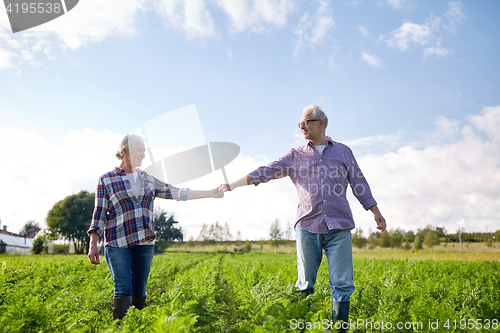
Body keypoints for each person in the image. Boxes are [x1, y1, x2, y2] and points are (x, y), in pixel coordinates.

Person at [225, 104, 386, 330]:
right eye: (300, 123)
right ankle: (300, 326)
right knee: (305, 285)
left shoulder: (343, 152)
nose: (302, 126)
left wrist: (375, 212)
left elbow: (359, 183)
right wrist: (233, 185)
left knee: (342, 283)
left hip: (339, 227)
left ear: (321, 124)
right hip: (308, 226)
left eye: (306, 122)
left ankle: (339, 328)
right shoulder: (295, 156)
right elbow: (266, 171)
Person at [87, 134, 225, 320]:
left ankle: (137, 326)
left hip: (144, 243)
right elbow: (99, 213)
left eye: (145, 150)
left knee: (139, 290)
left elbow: (176, 192)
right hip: (117, 242)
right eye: (139, 150)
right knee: (123, 289)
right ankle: (121, 328)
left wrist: (210, 193)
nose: (143, 154)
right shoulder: (106, 179)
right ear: (125, 151)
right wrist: (93, 242)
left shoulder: (148, 179)